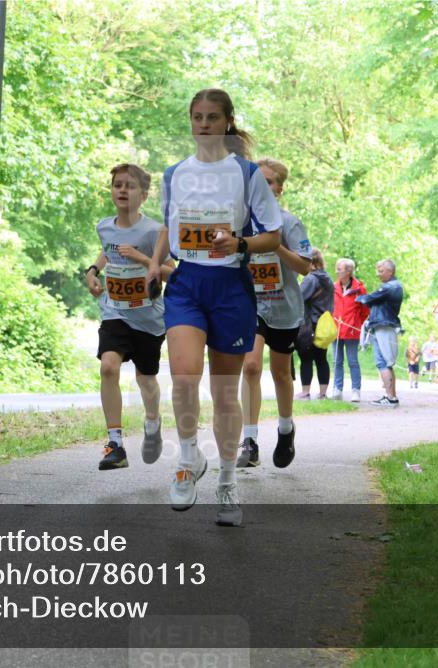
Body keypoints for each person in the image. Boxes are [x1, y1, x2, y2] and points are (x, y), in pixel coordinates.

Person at [146, 88, 282, 527]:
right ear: (191, 121)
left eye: (211, 117)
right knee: (183, 376)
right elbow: (170, 225)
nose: (203, 124)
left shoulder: (246, 174)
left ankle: (226, 479)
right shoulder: (174, 174)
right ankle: (188, 459)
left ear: (227, 122)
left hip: (230, 286)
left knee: (225, 394)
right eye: (197, 117)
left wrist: (239, 242)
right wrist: (154, 263)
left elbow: (273, 237)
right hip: (187, 282)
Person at [85, 164, 175, 471]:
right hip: (115, 312)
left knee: (146, 380)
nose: (122, 190)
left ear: (144, 194)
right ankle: (116, 446)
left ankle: (153, 423)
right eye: (117, 185)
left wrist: (143, 259)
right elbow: (109, 251)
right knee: (108, 368)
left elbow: (172, 273)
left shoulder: (154, 231)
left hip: (148, 318)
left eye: (130, 186)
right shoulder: (104, 226)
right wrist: (93, 271)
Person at [237, 158, 312, 469]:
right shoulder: (239, 222)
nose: (263, 187)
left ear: (279, 189)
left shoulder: (289, 223)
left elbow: (305, 267)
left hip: (283, 307)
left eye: (269, 182)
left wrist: (276, 245)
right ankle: (250, 440)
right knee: (251, 365)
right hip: (250, 304)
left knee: (281, 372)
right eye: (258, 181)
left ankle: (285, 428)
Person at [356, 259, 404, 407]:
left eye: (381, 271)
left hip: (384, 327)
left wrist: (357, 297)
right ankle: (391, 396)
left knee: (383, 362)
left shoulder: (391, 287)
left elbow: (369, 299)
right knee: (385, 362)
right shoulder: (391, 286)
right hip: (381, 326)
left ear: (390, 271)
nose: (378, 274)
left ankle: (390, 398)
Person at [294, 250, 334, 401]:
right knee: (321, 358)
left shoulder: (311, 279)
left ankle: (305, 392)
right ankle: (323, 393)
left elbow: (298, 297)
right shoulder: (327, 278)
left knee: (306, 357)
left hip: (309, 323)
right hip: (324, 323)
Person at [331, 258, 368, 402]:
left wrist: (356, 323)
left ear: (348, 271)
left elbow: (365, 310)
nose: (336, 271)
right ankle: (337, 389)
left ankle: (355, 390)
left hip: (352, 331)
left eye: (339, 269)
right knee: (336, 361)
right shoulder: (334, 287)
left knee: (353, 361)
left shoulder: (359, 289)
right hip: (336, 329)